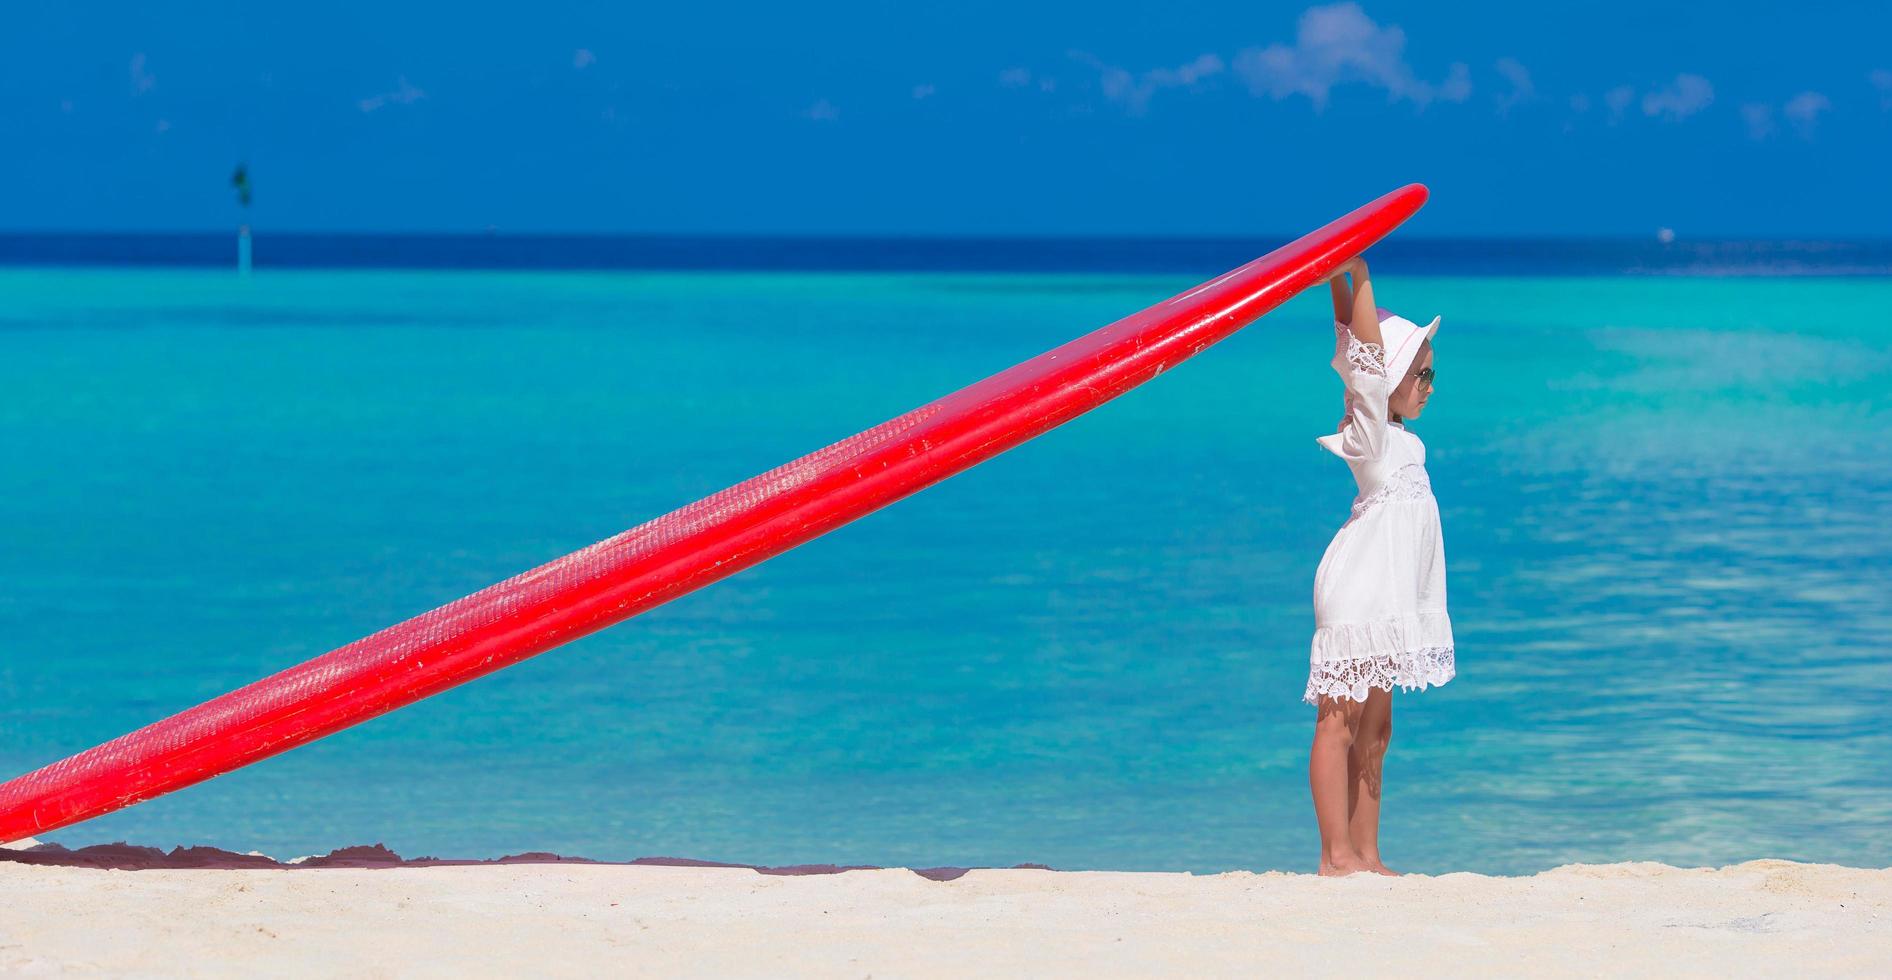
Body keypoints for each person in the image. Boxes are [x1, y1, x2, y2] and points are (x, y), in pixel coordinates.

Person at [1306, 254, 1455, 877]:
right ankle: (1335, 855)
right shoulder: (1368, 434)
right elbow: (1362, 355)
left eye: (1431, 374)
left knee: (1378, 727)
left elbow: (1353, 345)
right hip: (1358, 592)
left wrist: (1337, 281)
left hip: (1393, 600)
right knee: (1338, 723)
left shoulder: (1406, 440)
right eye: (1418, 372)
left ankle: (1367, 853)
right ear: (1387, 378)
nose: (1428, 383)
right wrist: (1357, 267)